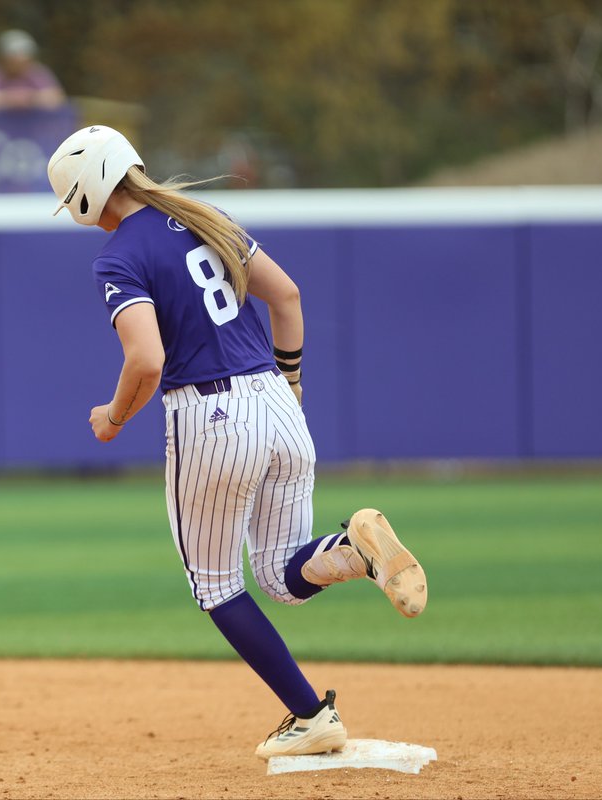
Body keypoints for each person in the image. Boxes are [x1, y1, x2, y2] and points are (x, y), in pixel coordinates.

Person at [46, 125, 428, 758]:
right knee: (280, 576)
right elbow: (288, 297)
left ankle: (311, 715)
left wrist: (113, 418)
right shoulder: (205, 216)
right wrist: (292, 385)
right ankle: (356, 552)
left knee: (217, 587)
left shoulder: (117, 256)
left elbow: (146, 359)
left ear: (84, 194)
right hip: (276, 402)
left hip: (210, 418)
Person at [0, 29, 65, 111]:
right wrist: (9, 99)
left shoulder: (37, 71)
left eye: (24, 60)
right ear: (3, 59)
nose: (19, 65)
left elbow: (56, 98)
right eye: (13, 61)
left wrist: (30, 98)